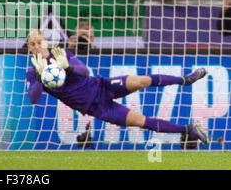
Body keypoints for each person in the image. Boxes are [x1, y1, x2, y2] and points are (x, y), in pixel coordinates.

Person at [26, 29, 209, 146]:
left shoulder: (62, 54)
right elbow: (34, 99)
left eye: (39, 42)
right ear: (29, 48)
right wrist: (41, 78)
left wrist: (67, 66)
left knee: (141, 80)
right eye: (32, 44)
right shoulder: (32, 73)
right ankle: (188, 129)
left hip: (102, 86)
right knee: (140, 121)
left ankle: (185, 80)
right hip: (97, 108)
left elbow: (84, 72)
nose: (37, 47)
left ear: (46, 42)